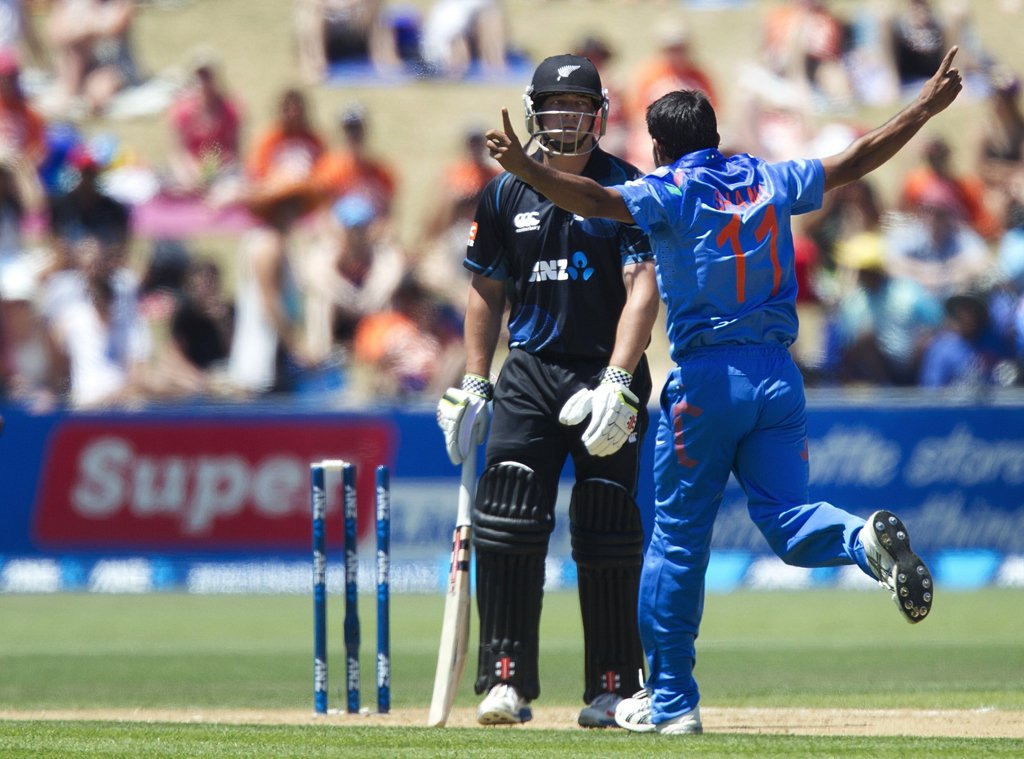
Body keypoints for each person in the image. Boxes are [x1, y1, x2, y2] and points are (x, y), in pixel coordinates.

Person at [484, 46, 963, 736]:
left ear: (659, 146)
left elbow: (595, 198)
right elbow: (856, 159)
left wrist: (524, 168)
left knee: (676, 544)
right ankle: (861, 541)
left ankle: (674, 702)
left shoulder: (670, 188)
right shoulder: (767, 177)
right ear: (713, 136)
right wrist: (923, 106)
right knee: (790, 520)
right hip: (778, 375)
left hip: (708, 382)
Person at [435, 54, 661, 728]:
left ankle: (614, 684)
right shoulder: (505, 191)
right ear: (535, 111)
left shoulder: (627, 188)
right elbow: (485, 289)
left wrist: (620, 378)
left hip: (605, 368)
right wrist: (476, 378)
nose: (563, 120)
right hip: (530, 369)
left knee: (608, 521)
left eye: (575, 106)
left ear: (598, 114)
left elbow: (642, 289)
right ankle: (506, 679)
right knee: (505, 513)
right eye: (552, 106)